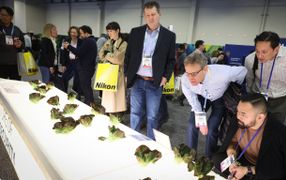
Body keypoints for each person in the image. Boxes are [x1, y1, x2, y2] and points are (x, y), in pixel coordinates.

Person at [212, 93, 286, 180]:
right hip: (244, 160)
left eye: (243, 114)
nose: (238, 116)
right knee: (217, 159)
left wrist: (247, 170)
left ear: (260, 117)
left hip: (263, 169)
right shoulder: (239, 121)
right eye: (237, 111)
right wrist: (232, 159)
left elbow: (277, 169)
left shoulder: (279, 135)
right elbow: (233, 143)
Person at [124, 1, 176, 140]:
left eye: (153, 14)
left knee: (152, 116)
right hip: (137, 80)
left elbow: (171, 60)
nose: (150, 18)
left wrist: (165, 77)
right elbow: (128, 55)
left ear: (159, 14)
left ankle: (150, 143)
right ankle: (132, 141)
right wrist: (126, 74)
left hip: (155, 82)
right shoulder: (136, 32)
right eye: (147, 15)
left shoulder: (169, 36)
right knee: (135, 113)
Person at [181, 53, 247, 158]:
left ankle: (209, 158)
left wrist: (237, 89)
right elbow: (193, 100)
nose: (190, 78)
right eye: (187, 73)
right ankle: (190, 156)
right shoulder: (185, 79)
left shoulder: (223, 73)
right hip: (201, 98)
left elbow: (243, 71)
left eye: (194, 74)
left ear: (205, 69)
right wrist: (199, 117)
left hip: (219, 98)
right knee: (192, 124)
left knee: (212, 128)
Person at [245, 31, 286, 123]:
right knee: (256, 126)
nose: (259, 56)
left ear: (276, 49)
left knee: (276, 128)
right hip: (258, 98)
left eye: (264, 52)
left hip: (281, 100)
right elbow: (250, 80)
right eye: (257, 51)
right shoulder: (250, 59)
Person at [63, 25, 97, 105]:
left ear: (86, 33)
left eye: (81, 33)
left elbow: (79, 52)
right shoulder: (92, 41)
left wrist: (68, 46)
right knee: (86, 87)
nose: (80, 35)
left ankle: (89, 104)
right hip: (88, 68)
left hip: (85, 69)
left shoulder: (88, 41)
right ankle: (90, 103)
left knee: (86, 88)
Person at [99, 22, 127, 114]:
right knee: (108, 97)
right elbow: (101, 54)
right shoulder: (108, 42)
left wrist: (108, 55)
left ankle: (117, 116)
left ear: (117, 30)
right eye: (108, 31)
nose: (109, 33)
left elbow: (119, 60)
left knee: (117, 98)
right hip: (108, 72)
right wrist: (109, 56)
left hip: (118, 73)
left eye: (111, 31)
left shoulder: (123, 44)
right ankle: (108, 113)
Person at [0, 6, 24, 80]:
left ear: (11, 17)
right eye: (1, 14)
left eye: (5, 15)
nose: (2, 17)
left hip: (15, 64)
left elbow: (23, 45)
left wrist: (20, 44)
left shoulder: (17, 30)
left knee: (15, 85)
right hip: (1, 64)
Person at [60, 26, 82, 94]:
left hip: (77, 62)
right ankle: (64, 93)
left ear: (78, 33)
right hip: (69, 62)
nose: (72, 34)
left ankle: (77, 97)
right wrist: (63, 64)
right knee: (64, 78)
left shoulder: (81, 42)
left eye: (74, 32)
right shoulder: (66, 41)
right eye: (71, 32)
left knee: (77, 81)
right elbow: (63, 53)